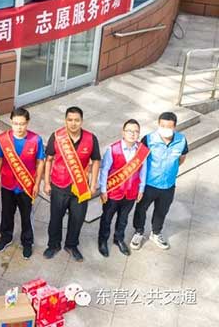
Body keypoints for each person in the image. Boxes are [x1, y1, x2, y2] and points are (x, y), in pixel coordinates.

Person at [43, 106, 101, 262]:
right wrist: (46, 182)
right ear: (65, 121)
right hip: (59, 185)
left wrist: (93, 184)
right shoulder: (57, 137)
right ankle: (53, 245)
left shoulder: (91, 138)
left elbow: (96, 161)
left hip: (80, 186)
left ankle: (71, 245)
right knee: (56, 218)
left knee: (77, 218)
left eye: (77, 120)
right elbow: (48, 159)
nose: (73, 123)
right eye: (70, 120)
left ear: (82, 121)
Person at [130, 112, 188, 251]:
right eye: (162, 126)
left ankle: (156, 233)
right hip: (149, 184)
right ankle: (138, 232)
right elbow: (139, 160)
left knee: (162, 211)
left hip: (168, 185)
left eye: (169, 126)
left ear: (174, 127)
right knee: (141, 209)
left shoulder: (181, 140)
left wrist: (169, 171)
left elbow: (181, 158)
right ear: (158, 124)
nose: (165, 129)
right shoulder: (148, 139)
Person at [0, 107, 45, 259]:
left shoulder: (36, 140)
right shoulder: (3, 139)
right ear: (11, 122)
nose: (19, 127)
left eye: (22, 124)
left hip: (26, 186)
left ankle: (27, 242)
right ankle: (6, 237)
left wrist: (37, 184)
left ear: (27, 123)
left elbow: (40, 162)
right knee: (6, 213)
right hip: (8, 184)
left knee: (26, 215)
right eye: (16, 123)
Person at [98, 119, 148, 257]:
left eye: (136, 131)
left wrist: (141, 189)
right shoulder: (113, 149)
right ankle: (103, 241)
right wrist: (103, 190)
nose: (132, 134)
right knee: (107, 218)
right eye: (129, 131)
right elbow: (104, 170)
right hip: (113, 192)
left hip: (131, 192)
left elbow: (143, 170)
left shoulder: (142, 151)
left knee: (123, 219)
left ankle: (118, 239)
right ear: (123, 132)